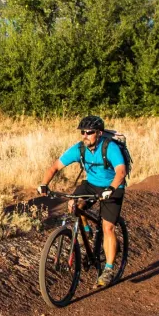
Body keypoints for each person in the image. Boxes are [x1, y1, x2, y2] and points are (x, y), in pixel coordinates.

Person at [37, 115, 127, 288]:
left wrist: (111, 189)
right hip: (91, 184)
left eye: (89, 132)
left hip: (113, 186)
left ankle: (108, 269)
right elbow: (54, 167)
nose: (85, 135)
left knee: (108, 227)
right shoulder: (79, 149)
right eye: (83, 132)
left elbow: (121, 172)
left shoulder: (110, 147)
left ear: (99, 133)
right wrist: (44, 184)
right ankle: (86, 232)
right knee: (74, 205)